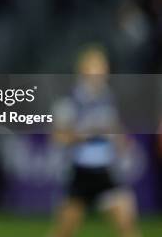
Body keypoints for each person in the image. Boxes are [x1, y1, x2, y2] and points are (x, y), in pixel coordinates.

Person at [49, 45, 141, 237]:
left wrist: (122, 142)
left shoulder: (109, 98)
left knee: (127, 225)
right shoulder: (69, 100)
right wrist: (85, 134)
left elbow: (116, 131)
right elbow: (59, 137)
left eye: (103, 69)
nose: (100, 74)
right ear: (83, 71)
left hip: (105, 171)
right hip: (80, 172)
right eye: (95, 68)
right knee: (64, 231)